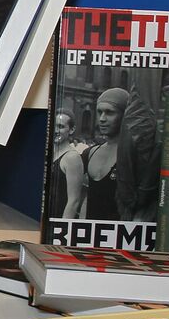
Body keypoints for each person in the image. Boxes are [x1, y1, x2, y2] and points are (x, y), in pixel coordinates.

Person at [81, 88, 127, 220]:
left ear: (124, 115)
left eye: (109, 113)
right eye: (99, 112)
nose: (102, 119)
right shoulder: (89, 153)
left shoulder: (133, 155)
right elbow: (85, 195)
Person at [47, 110, 84, 220]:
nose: (55, 130)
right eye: (53, 125)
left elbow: (74, 201)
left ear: (71, 130)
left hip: (58, 218)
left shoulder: (72, 158)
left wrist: (62, 227)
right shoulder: (50, 152)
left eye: (60, 126)